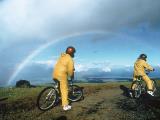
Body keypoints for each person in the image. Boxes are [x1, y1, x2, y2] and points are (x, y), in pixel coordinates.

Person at [52, 46, 76, 111]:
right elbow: (71, 70)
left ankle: (57, 99)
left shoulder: (61, 57)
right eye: (73, 53)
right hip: (62, 75)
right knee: (64, 90)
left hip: (54, 74)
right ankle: (65, 106)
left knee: (59, 87)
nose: (74, 54)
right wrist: (71, 76)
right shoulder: (70, 59)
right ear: (72, 53)